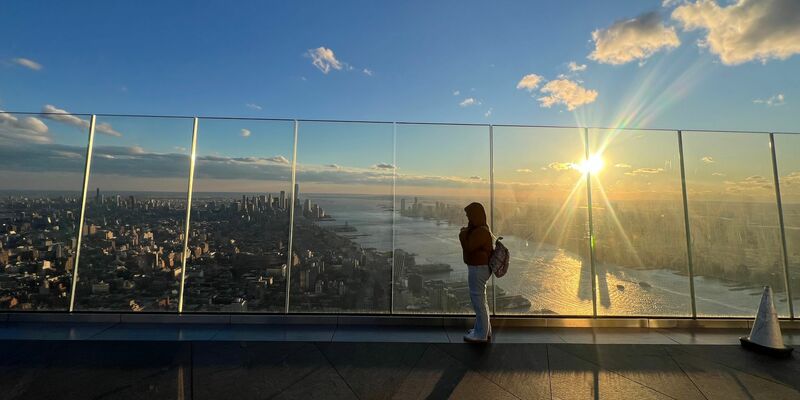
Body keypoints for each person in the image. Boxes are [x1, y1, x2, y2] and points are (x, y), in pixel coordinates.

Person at [459, 202, 493, 343]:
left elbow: (469, 246)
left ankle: (481, 335)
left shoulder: (481, 232)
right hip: (479, 268)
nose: (468, 218)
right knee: (481, 301)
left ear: (475, 215)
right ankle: (483, 330)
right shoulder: (480, 229)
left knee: (478, 301)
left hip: (478, 269)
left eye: (469, 215)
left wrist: (462, 233)